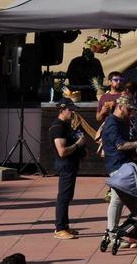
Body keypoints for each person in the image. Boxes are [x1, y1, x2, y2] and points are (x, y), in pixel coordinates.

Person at [101, 95, 137, 241]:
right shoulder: (112, 123)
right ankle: (114, 233)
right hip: (117, 166)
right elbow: (120, 145)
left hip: (126, 164)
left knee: (119, 199)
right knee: (119, 199)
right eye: (129, 109)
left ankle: (116, 232)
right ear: (120, 107)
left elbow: (129, 145)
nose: (131, 113)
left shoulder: (124, 121)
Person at [49, 98, 86, 240]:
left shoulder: (66, 125)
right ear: (62, 110)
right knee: (63, 197)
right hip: (65, 165)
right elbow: (62, 151)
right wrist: (77, 144)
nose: (73, 112)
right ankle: (59, 228)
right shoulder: (58, 127)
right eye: (70, 109)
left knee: (67, 196)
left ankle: (65, 225)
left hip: (71, 164)